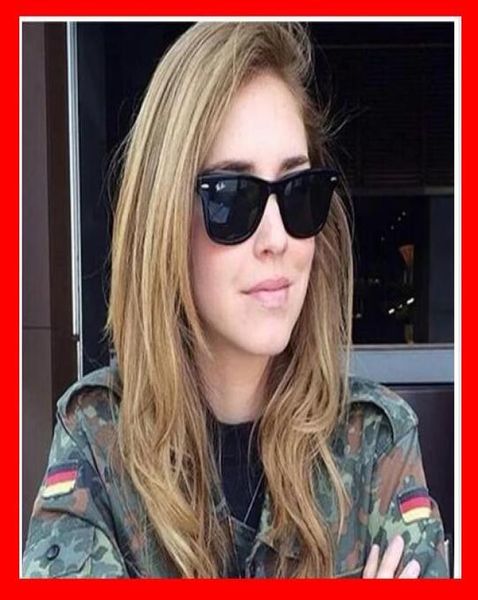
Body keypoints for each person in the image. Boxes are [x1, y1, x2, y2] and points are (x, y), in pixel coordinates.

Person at [22, 22, 449, 578]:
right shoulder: (98, 439)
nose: (277, 238)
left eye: (299, 192)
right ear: (164, 221)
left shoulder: (375, 441)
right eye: (232, 197)